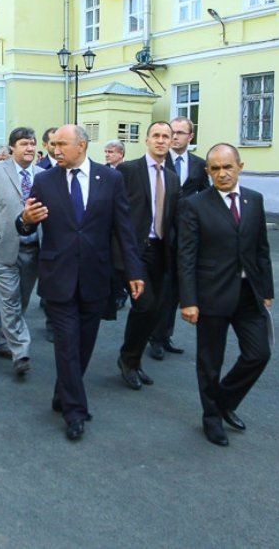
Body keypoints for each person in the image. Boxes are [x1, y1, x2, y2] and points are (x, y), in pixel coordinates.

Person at [17, 124, 144, 441]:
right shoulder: (44, 180)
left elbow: (124, 230)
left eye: (61, 144)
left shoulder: (111, 179)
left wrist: (134, 271)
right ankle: (75, 411)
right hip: (57, 277)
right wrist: (25, 221)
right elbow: (26, 223)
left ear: (82, 145)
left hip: (95, 276)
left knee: (84, 345)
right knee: (67, 345)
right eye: (53, 144)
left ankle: (63, 394)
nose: (54, 150)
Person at [178, 143, 274, 447]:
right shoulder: (195, 204)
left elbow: (261, 249)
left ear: (240, 166)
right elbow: (186, 256)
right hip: (211, 295)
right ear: (208, 171)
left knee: (259, 353)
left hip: (249, 294)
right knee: (210, 361)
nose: (222, 173)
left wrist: (267, 289)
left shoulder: (254, 200)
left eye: (227, 167)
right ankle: (211, 418)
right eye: (215, 168)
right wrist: (189, 300)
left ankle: (222, 401)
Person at [116, 122, 180, 389]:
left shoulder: (173, 177)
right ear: (146, 140)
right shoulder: (128, 170)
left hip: (160, 251)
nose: (161, 141)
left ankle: (134, 359)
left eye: (166, 136)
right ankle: (128, 359)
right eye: (156, 136)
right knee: (144, 304)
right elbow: (116, 212)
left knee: (155, 310)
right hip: (133, 251)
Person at [0, 127, 44, 375]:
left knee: (21, 300)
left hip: (33, 249)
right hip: (1, 247)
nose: (29, 148)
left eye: (33, 144)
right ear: (12, 147)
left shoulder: (43, 175)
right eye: (24, 143)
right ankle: (21, 351)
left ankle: (2, 342)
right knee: (11, 300)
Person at [151, 115, 211, 359]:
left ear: (190, 137)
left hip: (188, 233)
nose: (174, 137)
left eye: (179, 133)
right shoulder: (158, 161)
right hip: (162, 232)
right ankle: (154, 337)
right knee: (162, 288)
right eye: (171, 132)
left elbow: (207, 193)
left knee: (177, 287)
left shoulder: (198, 164)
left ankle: (166, 335)